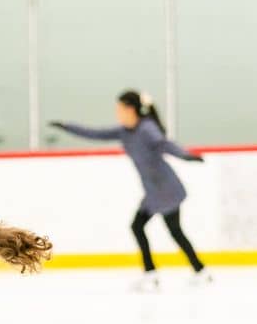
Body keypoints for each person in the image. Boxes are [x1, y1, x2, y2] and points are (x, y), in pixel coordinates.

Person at [51, 90, 210, 290]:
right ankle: (196, 270)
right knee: (164, 230)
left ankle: (160, 273)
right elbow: (95, 133)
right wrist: (67, 127)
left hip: (165, 189)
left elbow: (164, 143)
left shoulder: (147, 129)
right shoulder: (124, 131)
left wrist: (186, 155)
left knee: (149, 228)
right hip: (154, 190)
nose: (117, 113)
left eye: (120, 109)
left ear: (131, 109)